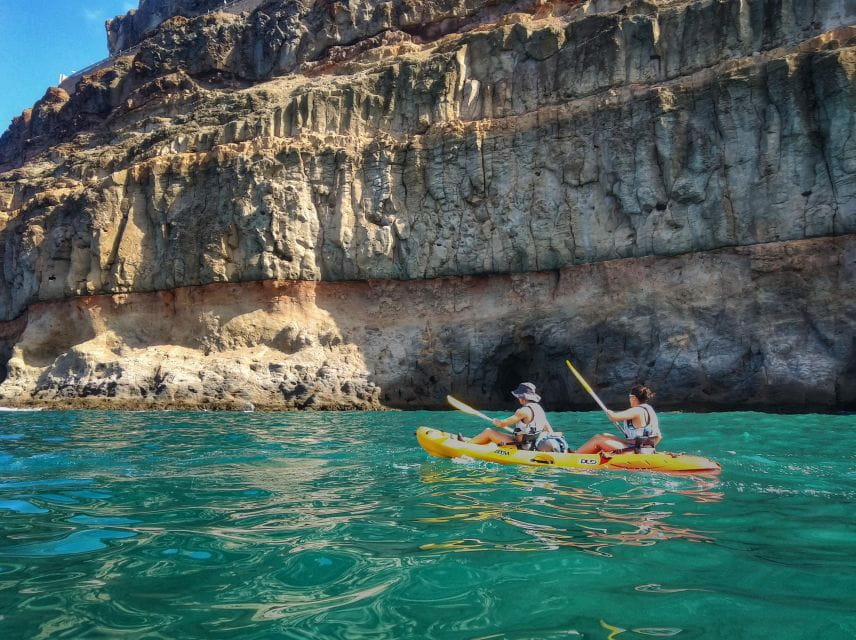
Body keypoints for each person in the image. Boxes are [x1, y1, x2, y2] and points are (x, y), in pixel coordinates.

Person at [465, 382, 568, 452]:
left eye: (519, 397)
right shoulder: (539, 409)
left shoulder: (522, 411)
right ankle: (474, 443)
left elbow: (502, 424)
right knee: (497, 435)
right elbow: (549, 430)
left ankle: (465, 446)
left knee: (489, 431)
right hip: (532, 445)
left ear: (522, 398)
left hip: (521, 447)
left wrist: (497, 422)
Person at [575, 384, 660, 454]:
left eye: (629, 397)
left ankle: (575, 456)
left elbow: (614, 417)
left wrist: (609, 413)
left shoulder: (636, 410)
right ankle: (582, 453)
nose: (629, 399)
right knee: (604, 435)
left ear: (633, 398)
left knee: (598, 440)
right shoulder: (650, 410)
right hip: (640, 449)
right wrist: (649, 450)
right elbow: (659, 436)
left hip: (635, 451)